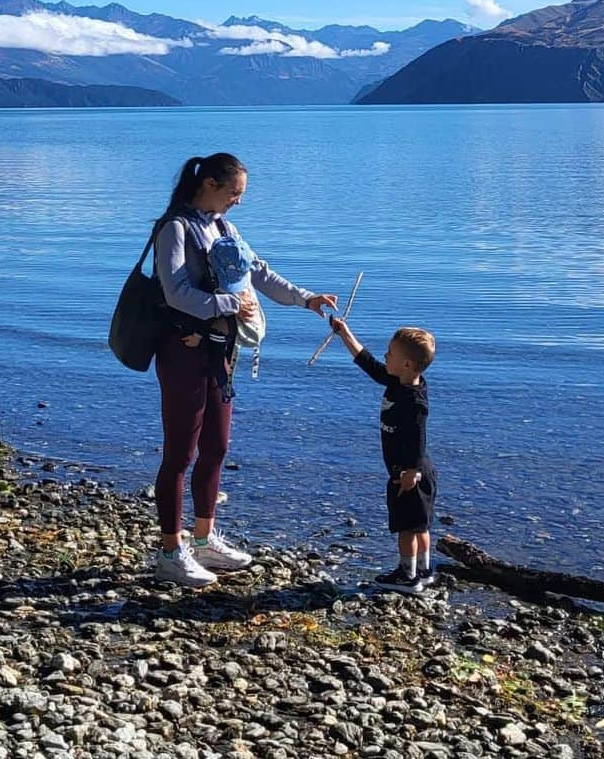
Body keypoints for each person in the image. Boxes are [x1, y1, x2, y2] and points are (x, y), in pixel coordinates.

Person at [152, 152, 337, 587]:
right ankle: (169, 551)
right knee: (180, 454)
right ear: (210, 184)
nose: (238, 201)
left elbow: (257, 272)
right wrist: (233, 304)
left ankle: (202, 540)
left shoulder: (223, 227)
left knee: (216, 446)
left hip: (219, 351)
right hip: (182, 350)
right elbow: (176, 293)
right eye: (234, 193)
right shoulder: (174, 229)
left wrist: (306, 298)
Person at [329, 316, 438, 594]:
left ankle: (408, 576)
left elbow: (418, 437)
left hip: (410, 472)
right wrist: (345, 334)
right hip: (417, 470)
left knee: (407, 527)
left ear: (406, 364)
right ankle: (425, 571)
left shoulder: (414, 400)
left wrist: (410, 472)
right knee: (420, 524)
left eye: (389, 354)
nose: (384, 356)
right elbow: (368, 363)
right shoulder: (397, 380)